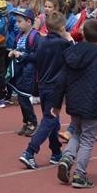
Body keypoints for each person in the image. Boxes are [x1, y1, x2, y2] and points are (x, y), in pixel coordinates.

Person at [54, 19, 97, 188]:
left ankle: (67, 157)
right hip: (92, 102)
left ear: (83, 33)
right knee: (88, 138)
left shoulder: (71, 52)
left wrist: (57, 103)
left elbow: (62, 79)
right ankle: (79, 174)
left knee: (76, 131)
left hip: (74, 99)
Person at [19, 11, 72, 169]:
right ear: (62, 28)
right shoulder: (64, 44)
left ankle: (56, 152)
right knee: (49, 119)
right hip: (55, 87)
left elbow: (34, 57)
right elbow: (74, 58)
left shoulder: (41, 41)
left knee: (53, 121)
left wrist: (22, 56)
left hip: (42, 85)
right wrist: (69, 39)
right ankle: (30, 151)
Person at [8, 8, 40, 137]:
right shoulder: (19, 36)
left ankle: (32, 122)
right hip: (20, 71)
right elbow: (16, 48)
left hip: (29, 72)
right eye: (16, 21)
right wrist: (12, 52)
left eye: (19, 21)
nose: (17, 24)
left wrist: (21, 55)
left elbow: (37, 55)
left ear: (28, 22)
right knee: (21, 99)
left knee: (24, 98)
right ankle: (27, 122)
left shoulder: (34, 36)